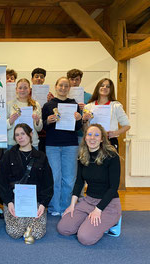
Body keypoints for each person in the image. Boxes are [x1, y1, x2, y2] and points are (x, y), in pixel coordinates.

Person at [57, 124, 122, 246]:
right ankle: (89, 222)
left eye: (97, 135)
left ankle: (114, 221)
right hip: (88, 201)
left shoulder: (112, 156)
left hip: (108, 203)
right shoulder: (83, 156)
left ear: (102, 139)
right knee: (63, 228)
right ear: (85, 138)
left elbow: (113, 188)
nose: (93, 138)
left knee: (85, 237)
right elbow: (79, 182)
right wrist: (72, 205)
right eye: (89, 135)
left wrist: (98, 210)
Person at [0, 123, 53, 240]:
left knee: (36, 233)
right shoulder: (8, 156)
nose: (20, 137)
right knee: (15, 232)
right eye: (17, 135)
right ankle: (22, 221)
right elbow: (2, 182)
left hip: (35, 201)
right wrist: (8, 202)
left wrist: (43, 204)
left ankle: (27, 221)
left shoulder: (41, 157)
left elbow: (48, 183)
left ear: (31, 134)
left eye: (23, 134)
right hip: (13, 200)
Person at [42, 77, 82, 216]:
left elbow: (78, 127)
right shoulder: (48, 105)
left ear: (69, 88)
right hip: (52, 145)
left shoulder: (74, 104)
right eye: (61, 85)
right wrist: (47, 120)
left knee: (69, 178)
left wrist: (79, 119)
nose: (63, 88)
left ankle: (66, 206)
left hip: (70, 145)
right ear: (56, 86)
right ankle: (54, 207)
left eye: (66, 86)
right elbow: (43, 127)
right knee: (54, 177)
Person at [83, 78, 130, 152]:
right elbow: (86, 129)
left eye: (108, 86)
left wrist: (115, 133)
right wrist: (85, 120)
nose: (104, 88)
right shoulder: (88, 106)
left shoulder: (116, 106)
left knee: (110, 163)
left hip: (110, 141)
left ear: (111, 89)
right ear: (98, 88)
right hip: (92, 141)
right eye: (102, 85)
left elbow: (127, 125)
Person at [7, 78, 43, 149]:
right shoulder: (9, 104)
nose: (22, 90)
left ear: (29, 89)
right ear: (16, 89)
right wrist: (10, 121)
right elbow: (2, 125)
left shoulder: (36, 104)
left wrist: (38, 121)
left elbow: (39, 129)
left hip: (32, 142)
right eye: (20, 88)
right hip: (13, 143)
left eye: (25, 88)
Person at [66, 69, 92, 144]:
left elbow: (94, 114)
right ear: (68, 80)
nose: (74, 82)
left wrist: (86, 108)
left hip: (82, 133)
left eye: (77, 79)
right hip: (67, 132)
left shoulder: (89, 96)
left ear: (80, 80)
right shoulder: (63, 95)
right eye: (72, 79)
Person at [31, 67, 51, 153]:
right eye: (36, 76)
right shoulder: (26, 93)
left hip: (44, 133)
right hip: (30, 132)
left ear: (44, 79)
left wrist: (49, 102)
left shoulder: (49, 95)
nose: (39, 79)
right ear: (32, 79)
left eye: (42, 77)